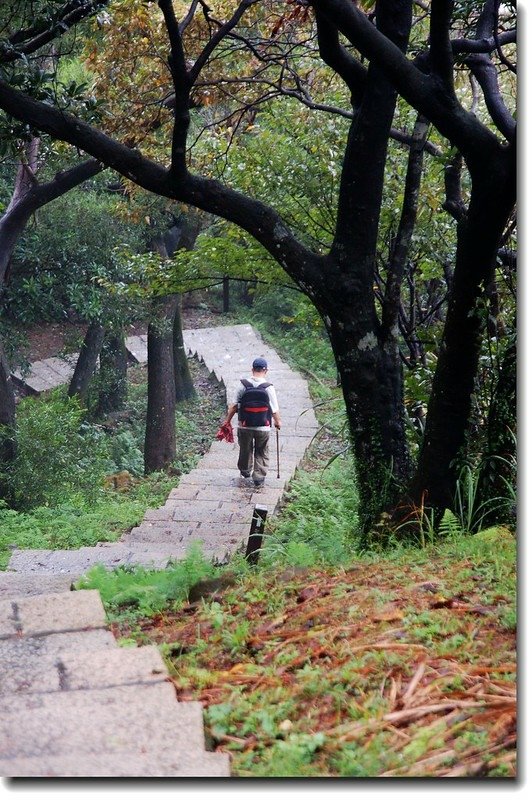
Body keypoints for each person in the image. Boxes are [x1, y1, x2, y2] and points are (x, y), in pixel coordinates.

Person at [222, 357, 281, 487]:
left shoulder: (243, 385)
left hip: (244, 426)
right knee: (262, 450)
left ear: (252, 369)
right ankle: (259, 478)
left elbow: (233, 407)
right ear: (266, 370)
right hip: (263, 427)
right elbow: (274, 409)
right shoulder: (268, 387)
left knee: (245, 449)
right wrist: (278, 422)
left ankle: (245, 470)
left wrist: (227, 421)